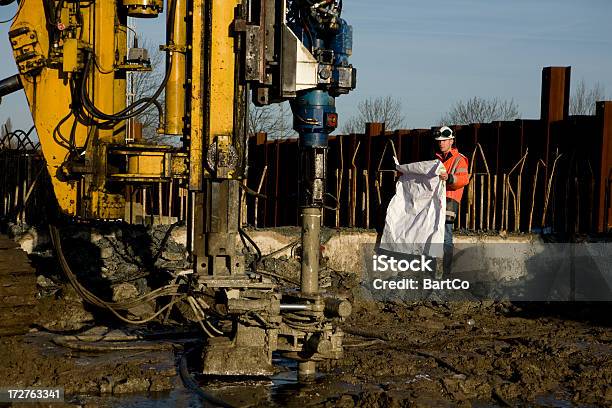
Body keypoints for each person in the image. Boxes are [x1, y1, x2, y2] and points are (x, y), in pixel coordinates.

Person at [434, 126, 469, 279]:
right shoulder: (437, 159)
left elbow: (463, 179)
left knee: (446, 238)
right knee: (434, 235)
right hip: (436, 202)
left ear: (451, 141)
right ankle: (434, 271)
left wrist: (449, 178)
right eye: (439, 141)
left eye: (444, 140)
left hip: (449, 201)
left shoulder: (459, 159)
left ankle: (446, 273)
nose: (441, 143)